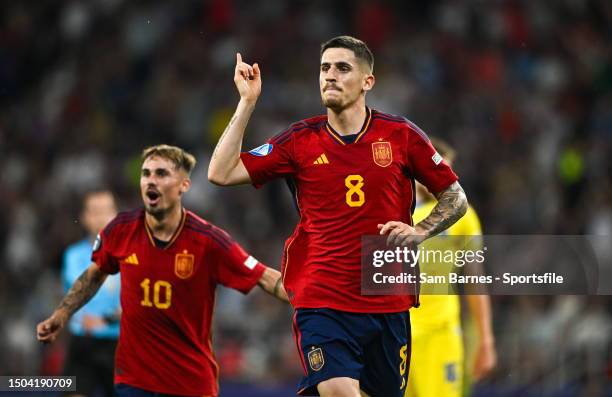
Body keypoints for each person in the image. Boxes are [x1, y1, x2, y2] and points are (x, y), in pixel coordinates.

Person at [208, 35, 468, 397]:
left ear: (367, 82)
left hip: (387, 300)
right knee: (339, 391)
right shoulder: (300, 141)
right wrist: (247, 103)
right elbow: (221, 172)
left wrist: (421, 230)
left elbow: (455, 198)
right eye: (324, 68)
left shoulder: (401, 136)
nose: (329, 75)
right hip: (323, 300)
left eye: (342, 68)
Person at [38, 145, 288, 397]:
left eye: (161, 174)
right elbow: (94, 275)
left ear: (183, 186)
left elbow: (266, 278)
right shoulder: (120, 231)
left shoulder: (208, 241)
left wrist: (316, 300)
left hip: (189, 382)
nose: (151, 181)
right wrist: (62, 313)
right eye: (146, 174)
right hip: (134, 381)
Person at [406, 138, 497, 397]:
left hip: (440, 336)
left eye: (449, 170)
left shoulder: (463, 216)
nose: (446, 178)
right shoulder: (391, 212)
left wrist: (485, 339)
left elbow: (475, 281)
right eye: (439, 170)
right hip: (393, 336)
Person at [62, 189, 120, 397]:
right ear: (85, 217)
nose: (102, 217)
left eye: (107, 210)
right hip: (83, 344)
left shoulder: (132, 255)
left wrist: (107, 320)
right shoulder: (73, 256)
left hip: (121, 347)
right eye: (95, 211)